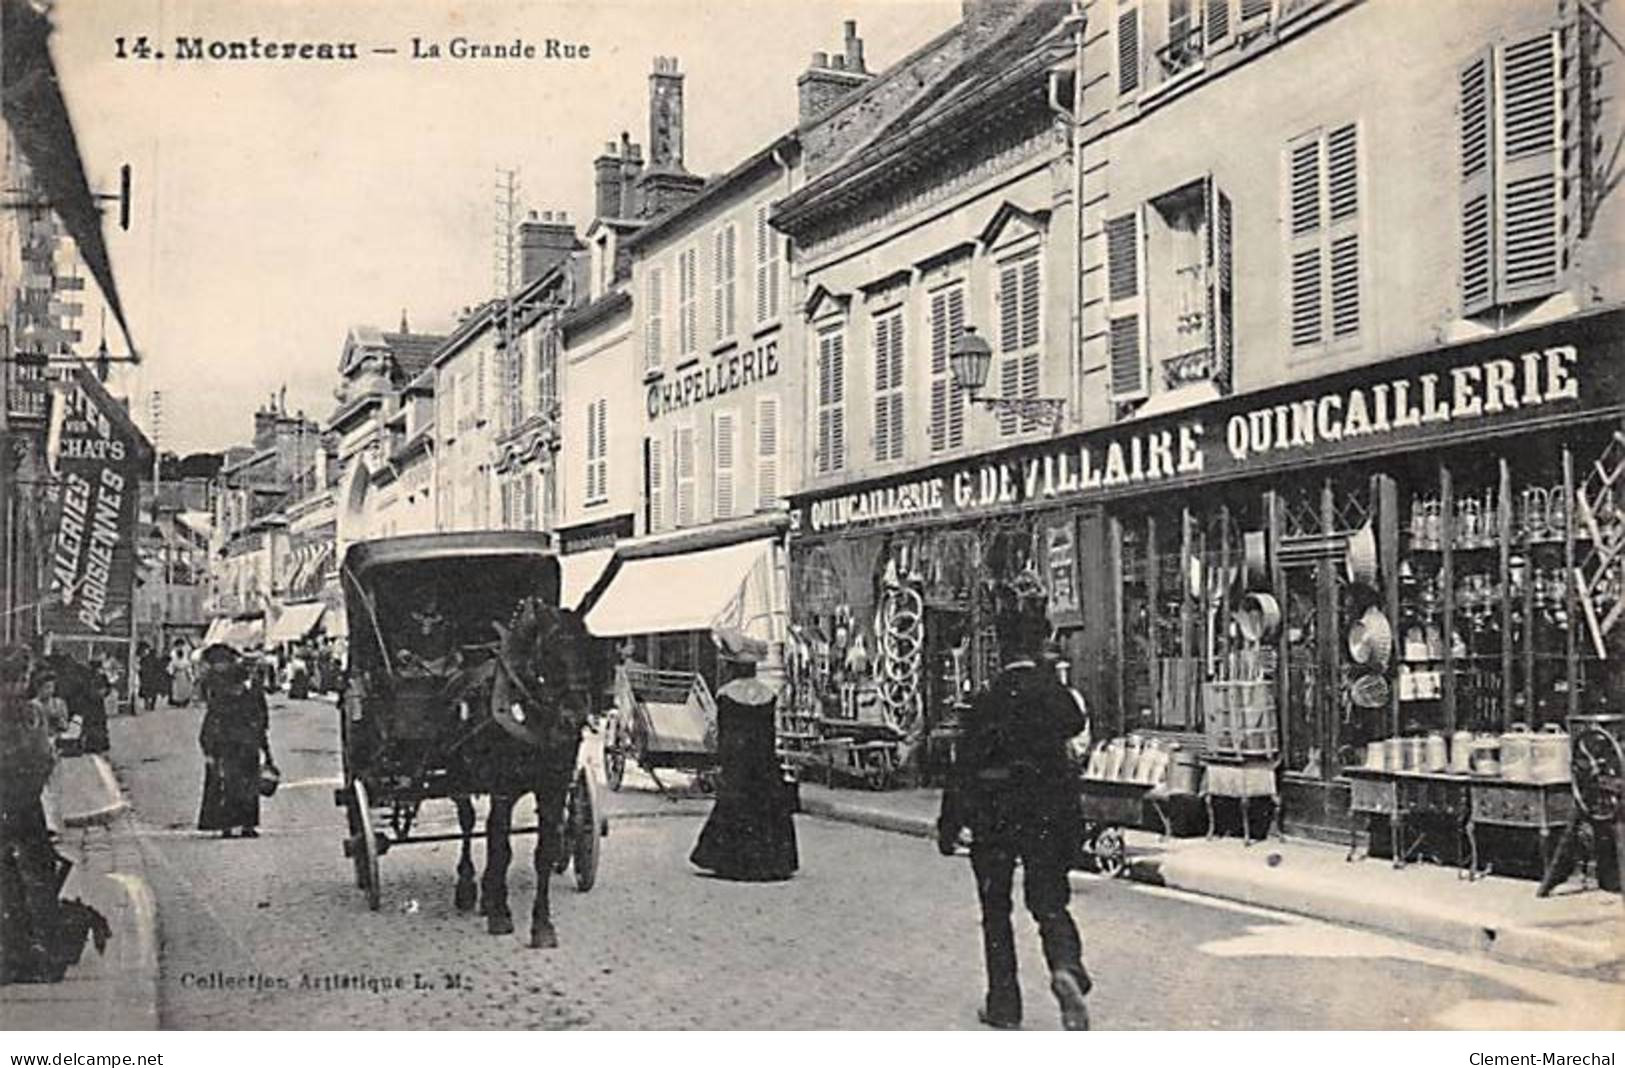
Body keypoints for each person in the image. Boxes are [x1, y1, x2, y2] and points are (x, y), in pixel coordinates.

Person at [936, 594, 1092, 1031]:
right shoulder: (1053, 695)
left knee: (996, 910)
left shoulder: (987, 701)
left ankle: (1004, 1004)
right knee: (1049, 902)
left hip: (994, 818)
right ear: (1037, 646)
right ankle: (1066, 967)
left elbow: (961, 769)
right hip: (1046, 814)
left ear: (1002, 650)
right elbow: (1075, 723)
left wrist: (949, 826)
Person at [689, 628, 798, 882]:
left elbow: (725, 738)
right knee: (767, 809)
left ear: (733, 667)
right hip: (764, 766)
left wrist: (722, 763)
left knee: (734, 807)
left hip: (738, 766)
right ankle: (772, 863)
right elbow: (770, 736)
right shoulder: (768, 695)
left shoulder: (727, 695)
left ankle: (732, 863)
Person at [0, 646, 64, 982]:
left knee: (7, 881)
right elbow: (43, 758)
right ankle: (37, 953)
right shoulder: (31, 714)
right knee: (37, 879)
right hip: (24, 806)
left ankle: (10, 955)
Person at [197, 645, 273, 839]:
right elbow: (261, 718)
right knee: (240, 786)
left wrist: (209, 747)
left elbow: (260, 718)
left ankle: (231, 825)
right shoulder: (242, 693)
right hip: (239, 744)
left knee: (233, 785)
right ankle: (243, 825)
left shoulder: (228, 695)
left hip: (234, 744)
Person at [168, 640, 195, 707]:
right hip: (177, 673)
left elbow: (188, 663)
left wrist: (190, 674)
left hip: (184, 673)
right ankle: (178, 701)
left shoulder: (186, 652)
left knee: (185, 687)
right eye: (178, 645)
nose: (180, 647)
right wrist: (171, 672)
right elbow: (172, 663)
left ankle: (185, 701)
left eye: (181, 645)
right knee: (176, 688)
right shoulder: (173, 653)